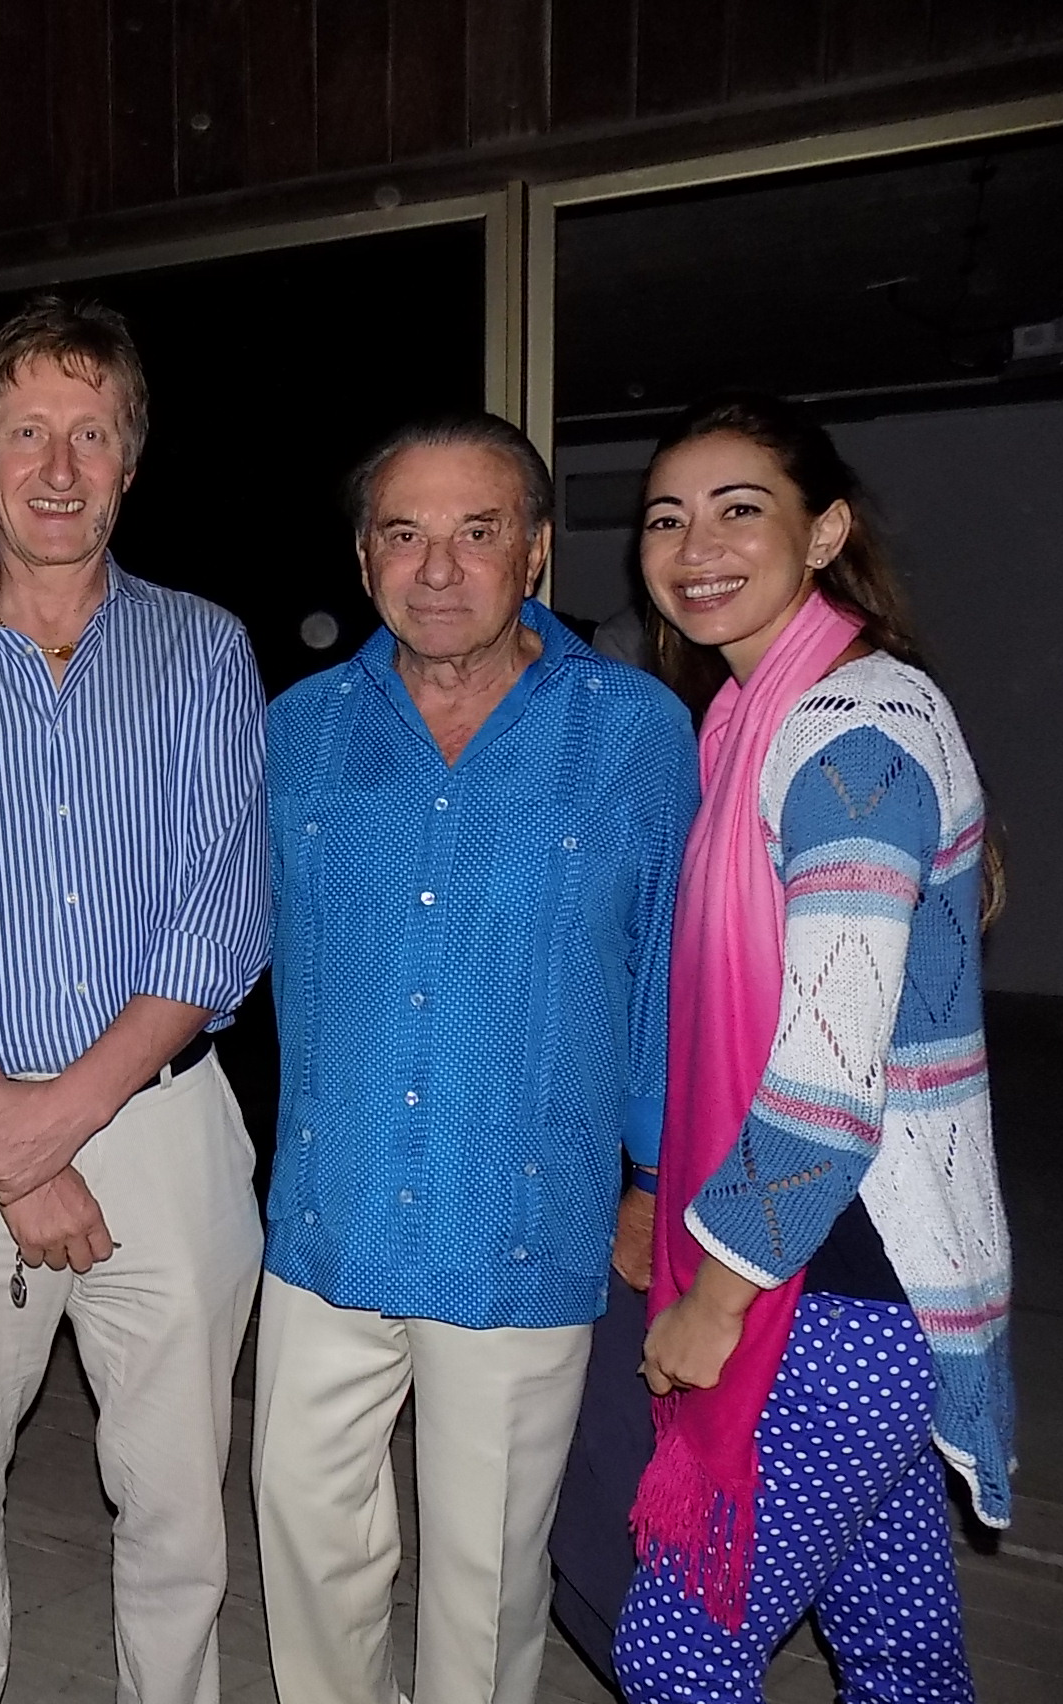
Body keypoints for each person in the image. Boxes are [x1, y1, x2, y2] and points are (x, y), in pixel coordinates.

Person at [0, 296, 270, 1704]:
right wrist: (6, 1140)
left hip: (162, 1124)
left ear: (132, 460)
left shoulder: (205, 647)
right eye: (28, 434)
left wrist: (54, 1125)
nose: (60, 469)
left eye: (92, 434)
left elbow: (222, 912)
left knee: (179, 1502)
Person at [255, 413, 697, 1704]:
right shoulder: (297, 730)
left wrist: (654, 1179)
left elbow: (669, 973)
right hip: (329, 1216)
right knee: (306, 1533)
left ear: (536, 550)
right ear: (363, 558)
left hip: (521, 1217)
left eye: (477, 531)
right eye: (404, 533)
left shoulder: (634, 732)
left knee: (485, 1576)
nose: (438, 568)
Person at [613, 392, 1013, 1702]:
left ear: (825, 531)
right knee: (897, 1652)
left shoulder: (851, 735)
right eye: (666, 518)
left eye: (741, 510)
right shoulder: (751, 722)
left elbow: (828, 1074)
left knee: (677, 1654)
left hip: (846, 1283)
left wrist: (715, 1302)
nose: (696, 548)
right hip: (847, 1269)